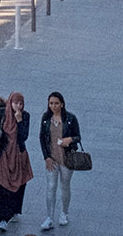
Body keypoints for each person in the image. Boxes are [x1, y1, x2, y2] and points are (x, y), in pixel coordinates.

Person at [0, 91, 33, 232]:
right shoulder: (2, 113)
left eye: (20, 103)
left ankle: (6, 217)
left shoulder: (25, 116)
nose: (18, 106)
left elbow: (23, 137)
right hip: (2, 156)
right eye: (15, 103)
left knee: (16, 186)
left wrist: (19, 122)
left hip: (18, 157)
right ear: (10, 102)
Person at [37, 92, 80, 231]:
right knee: (51, 187)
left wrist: (70, 140)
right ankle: (49, 217)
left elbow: (78, 136)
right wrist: (46, 157)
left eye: (56, 103)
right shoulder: (46, 118)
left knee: (65, 186)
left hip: (66, 159)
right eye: (51, 103)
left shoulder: (70, 118)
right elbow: (42, 138)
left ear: (62, 104)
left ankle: (64, 213)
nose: (53, 106)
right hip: (52, 158)